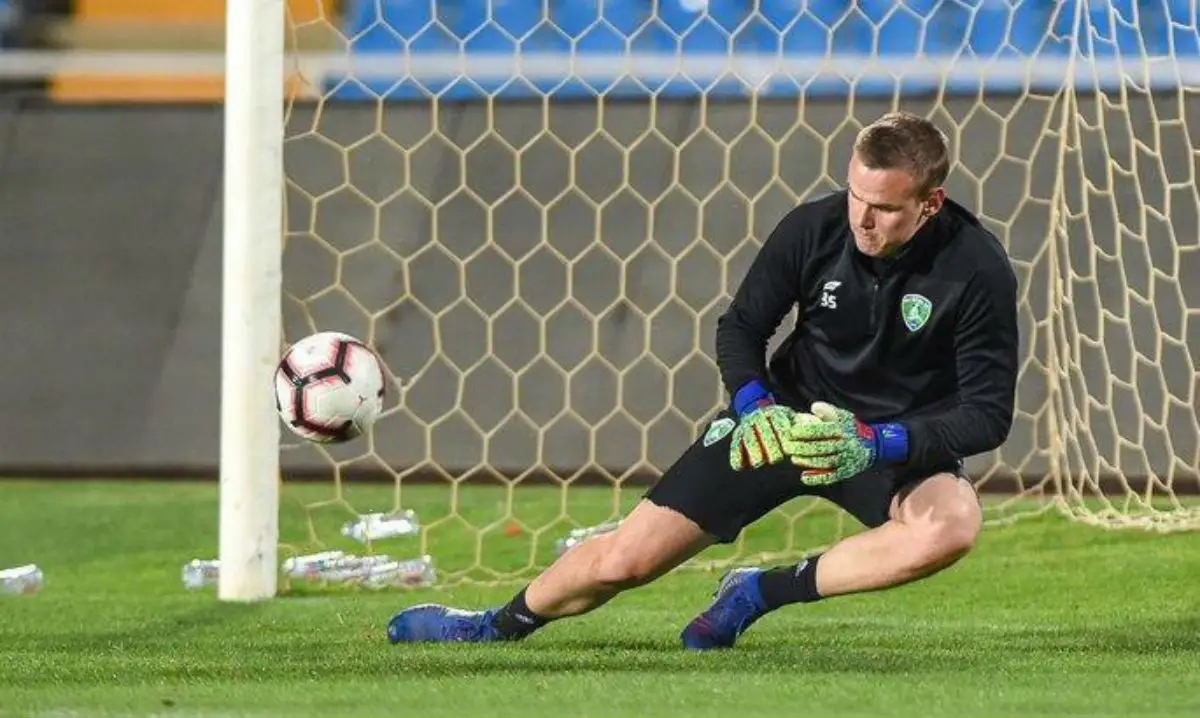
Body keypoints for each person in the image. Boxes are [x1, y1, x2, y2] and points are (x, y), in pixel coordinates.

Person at [386, 110, 1020, 650]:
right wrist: (754, 405)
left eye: (884, 207)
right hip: (779, 423)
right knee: (624, 561)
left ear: (931, 202)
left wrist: (877, 443)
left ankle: (758, 592)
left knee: (951, 526)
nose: (863, 219)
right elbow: (741, 327)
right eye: (856, 195)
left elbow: (987, 414)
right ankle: (492, 627)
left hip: (880, 442)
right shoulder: (814, 229)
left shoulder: (976, 269)